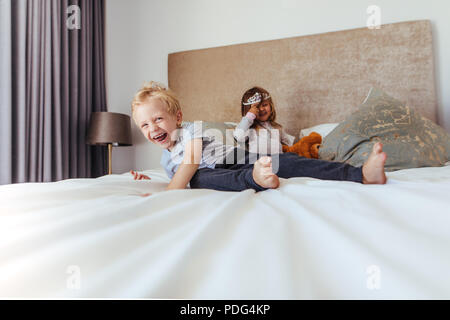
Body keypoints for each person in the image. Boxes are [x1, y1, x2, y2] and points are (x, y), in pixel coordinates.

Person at [130, 82, 387, 193]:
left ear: (177, 117)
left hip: (237, 158)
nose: (152, 128)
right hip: (218, 175)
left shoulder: (192, 130)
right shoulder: (166, 161)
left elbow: (191, 161)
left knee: (288, 162)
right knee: (200, 180)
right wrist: (147, 180)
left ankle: (361, 174)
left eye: (158, 119)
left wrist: (169, 192)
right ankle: (255, 180)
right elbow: (178, 177)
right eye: (144, 125)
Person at [233, 86, 294, 155]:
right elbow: (238, 136)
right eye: (257, 107)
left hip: (279, 160)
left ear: (271, 106)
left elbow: (289, 147)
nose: (261, 109)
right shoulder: (248, 128)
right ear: (249, 110)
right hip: (258, 162)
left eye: (265, 105)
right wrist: (249, 116)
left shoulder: (277, 127)